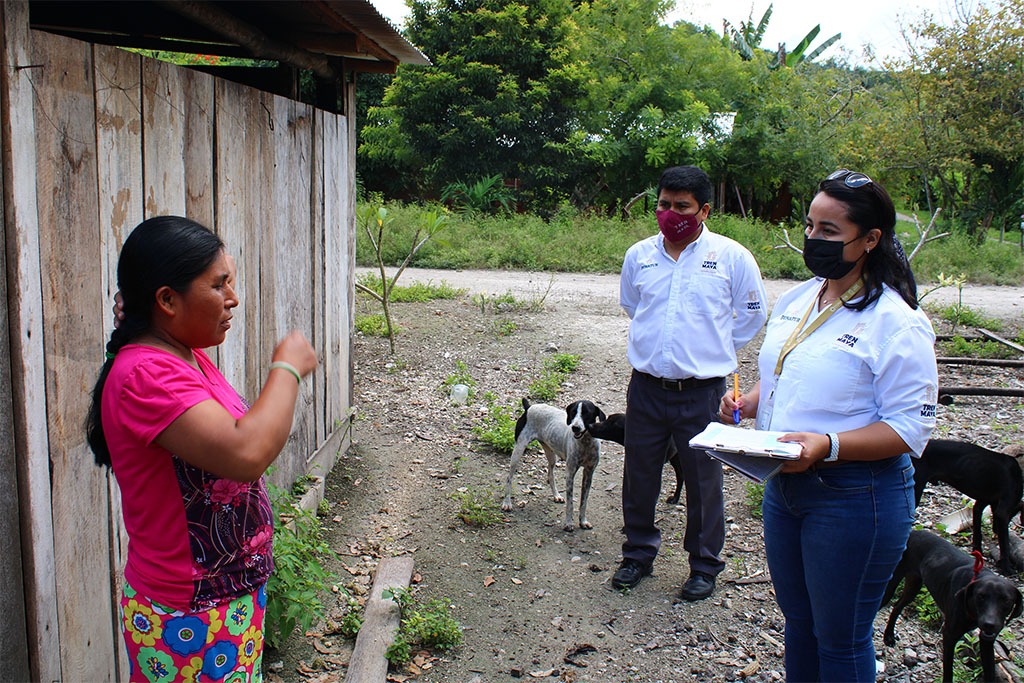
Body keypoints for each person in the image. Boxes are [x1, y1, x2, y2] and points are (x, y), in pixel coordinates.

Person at [721, 169, 938, 681]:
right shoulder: (801, 298)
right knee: (798, 625)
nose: (813, 240)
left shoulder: (896, 322)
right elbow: (790, 373)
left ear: (870, 239)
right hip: (785, 488)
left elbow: (911, 429)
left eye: (829, 231)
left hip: (855, 497)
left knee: (840, 640)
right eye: (810, 226)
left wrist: (829, 444)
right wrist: (751, 402)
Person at [86, 216, 317, 682]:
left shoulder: (184, 356)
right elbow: (245, 450)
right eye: (218, 285)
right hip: (188, 614)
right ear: (167, 300)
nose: (233, 298)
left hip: (224, 599)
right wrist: (287, 369)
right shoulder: (145, 375)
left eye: (230, 281)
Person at [614, 165, 768, 600]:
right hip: (645, 387)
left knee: (704, 481)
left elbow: (753, 314)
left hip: (702, 392)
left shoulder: (731, 257)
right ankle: (637, 554)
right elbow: (633, 305)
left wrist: (711, 348)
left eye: (682, 206)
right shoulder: (639, 255)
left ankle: (704, 565)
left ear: (703, 209)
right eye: (663, 204)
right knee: (639, 473)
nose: (670, 213)